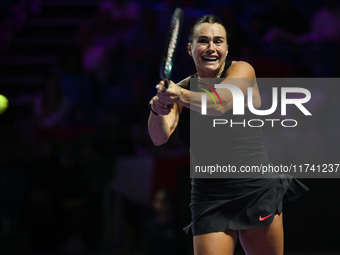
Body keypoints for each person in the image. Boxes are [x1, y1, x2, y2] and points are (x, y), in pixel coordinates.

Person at [148, 14, 308, 255]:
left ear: (226, 47)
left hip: (255, 187)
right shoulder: (180, 89)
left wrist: (178, 95)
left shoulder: (242, 71)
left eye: (218, 41)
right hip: (209, 194)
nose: (211, 47)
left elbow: (220, 103)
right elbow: (159, 137)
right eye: (203, 41)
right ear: (190, 48)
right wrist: (158, 108)